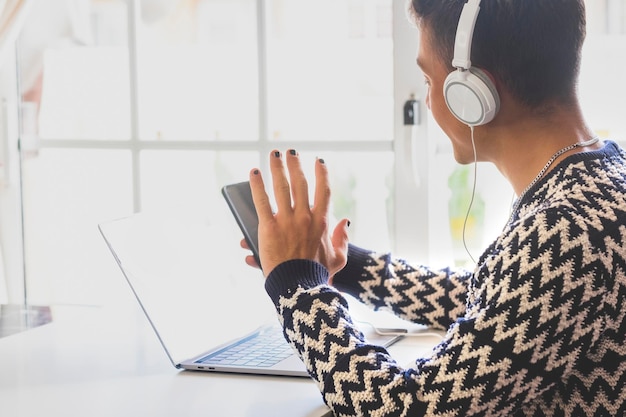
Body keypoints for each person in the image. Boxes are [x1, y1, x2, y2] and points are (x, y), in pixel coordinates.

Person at [240, 0, 626, 415]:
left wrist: (298, 286)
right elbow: (503, 306)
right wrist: (345, 265)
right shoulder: (599, 175)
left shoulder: (564, 232)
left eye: (428, 79)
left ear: (475, 94)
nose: (427, 99)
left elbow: (406, 408)